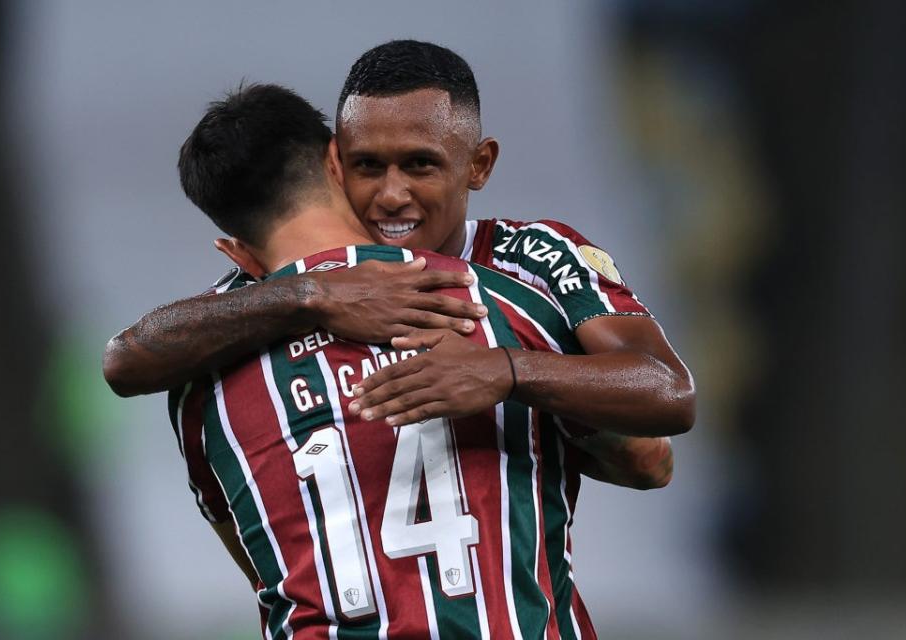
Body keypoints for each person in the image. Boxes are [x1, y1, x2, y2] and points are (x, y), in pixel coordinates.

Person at [104, 40, 695, 638]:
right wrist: (316, 294)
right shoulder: (503, 304)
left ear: (478, 165)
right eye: (368, 166)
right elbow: (123, 359)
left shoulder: (531, 264)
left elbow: (655, 436)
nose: (390, 195)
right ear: (336, 163)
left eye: (420, 165)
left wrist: (506, 372)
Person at [171, 82, 599, 638]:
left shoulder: (198, 382)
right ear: (336, 160)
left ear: (234, 248)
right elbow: (646, 459)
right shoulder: (500, 303)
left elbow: (259, 560)